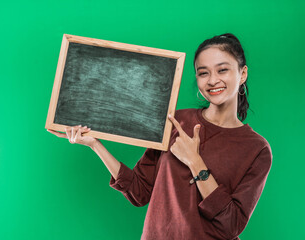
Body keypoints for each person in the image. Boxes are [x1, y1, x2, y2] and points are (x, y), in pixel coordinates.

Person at [47, 33, 272, 240]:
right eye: (203, 72)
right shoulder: (176, 121)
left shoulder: (257, 148)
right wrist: (95, 145)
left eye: (222, 70)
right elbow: (139, 191)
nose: (212, 80)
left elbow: (232, 224)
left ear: (242, 74)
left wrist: (196, 163)